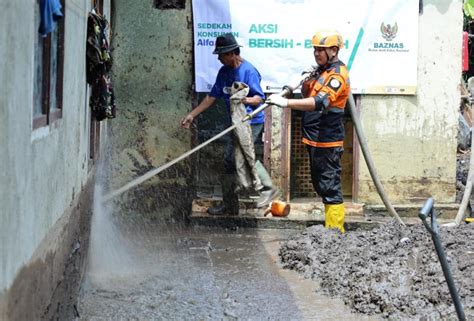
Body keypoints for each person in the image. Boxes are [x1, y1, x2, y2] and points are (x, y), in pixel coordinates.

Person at [181, 33, 279, 215]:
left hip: (251, 121)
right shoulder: (224, 72)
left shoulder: (249, 71)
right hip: (235, 122)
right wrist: (192, 115)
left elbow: (259, 99)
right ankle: (231, 204)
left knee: (242, 156)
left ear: (233, 53)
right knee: (230, 161)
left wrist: (244, 100)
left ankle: (267, 188)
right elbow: (212, 97)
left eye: (221, 54)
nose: (218, 58)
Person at [266, 30, 350, 232]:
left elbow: (319, 102)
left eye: (321, 50)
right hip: (314, 140)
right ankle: (331, 231)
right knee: (321, 185)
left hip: (327, 141)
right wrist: (297, 85)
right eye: (315, 50)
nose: (316, 53)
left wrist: (286, 102)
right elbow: (309, 92)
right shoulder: (321, 71)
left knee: (330, 187)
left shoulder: (337, 75)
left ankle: (335, 233)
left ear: (333, 50)